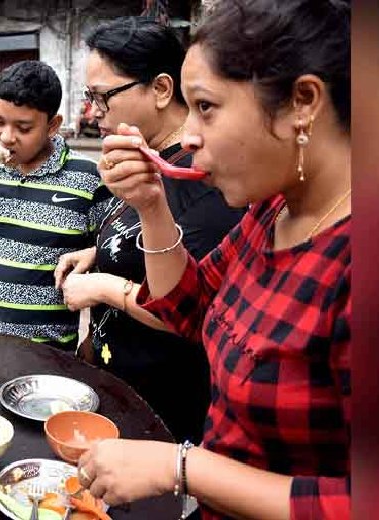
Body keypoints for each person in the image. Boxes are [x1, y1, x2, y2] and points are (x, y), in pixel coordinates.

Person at [75, 1, 350, 518]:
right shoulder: (270, 212)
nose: (191, 134)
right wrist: (152, 205)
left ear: (302, 103)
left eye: (205, 106)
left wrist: (180, 467)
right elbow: (189, 307)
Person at [52, 17, 244, 445]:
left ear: (160, 89)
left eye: (104, 97)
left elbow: (193, 306)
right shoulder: (150, 156)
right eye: (90, 97)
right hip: (117, 378)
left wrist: (103, 286)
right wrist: (97, 253)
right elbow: (141, 239)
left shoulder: (202, 178)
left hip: (161, 403)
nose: (93, 112)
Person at [0, 61, 108, 351]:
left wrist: (92, 339)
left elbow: (104, 261)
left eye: (24, 127)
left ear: (52, 126)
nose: (6, 136)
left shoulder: (88, 179)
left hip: (49, 350)